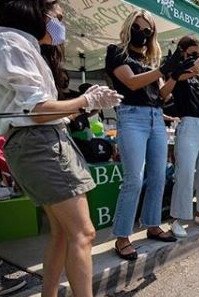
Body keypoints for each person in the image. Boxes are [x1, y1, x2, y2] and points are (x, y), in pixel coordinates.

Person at [0, 1, 122, 296]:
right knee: (83, 233)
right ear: (36, 13)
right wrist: (85, 101)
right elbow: (37, 110)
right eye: (58, 17)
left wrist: (83, 104)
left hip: (39, 139)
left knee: (62, 234)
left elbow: (39, 109)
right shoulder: (12, 42)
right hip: (40, 141)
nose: (61, 25)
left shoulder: (21, 43)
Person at [105, 9, 193, 260]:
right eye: (138, 27)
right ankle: (122, 237)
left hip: (156, 117)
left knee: (158, 176)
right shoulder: (116, 52)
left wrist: (175, 75)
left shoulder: (151, 60)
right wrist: (164, 68)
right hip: (131, 116)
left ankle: (152, 225)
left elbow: (162, 95)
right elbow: (132, 83)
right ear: (129, 26)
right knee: (134, 178)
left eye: (147, 30)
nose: (142, 33)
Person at [159, 31, 199, 238]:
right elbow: (195, 67)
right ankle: (176, 219)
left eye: (198, 52)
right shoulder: (179, 71)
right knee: (185, 173)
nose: (196, 56)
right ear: (183, 53)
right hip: (187, 124)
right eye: (192, 52)